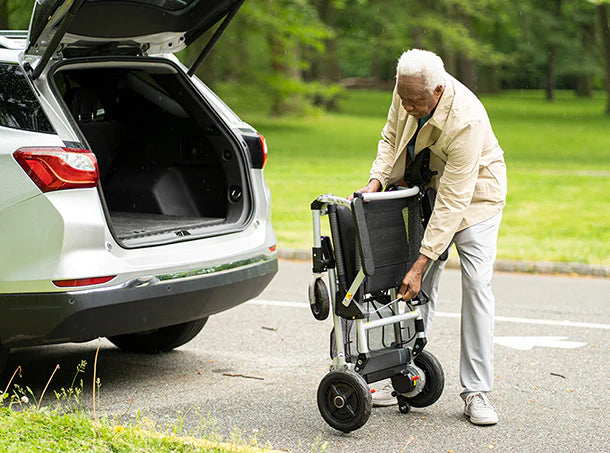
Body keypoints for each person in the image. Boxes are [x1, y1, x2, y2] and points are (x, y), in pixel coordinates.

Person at [352, 49, 507, 425]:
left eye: (415, 101)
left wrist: (422, 261)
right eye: (402, 96)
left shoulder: (466, 119)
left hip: (476, 198)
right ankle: (401, 373)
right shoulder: (408, 87)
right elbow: (391, 136)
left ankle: (476, 392)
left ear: (438, 90)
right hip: (429, 187)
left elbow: (454, 203)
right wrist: (375, 182)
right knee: (414, 286)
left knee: (476, 284)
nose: (407, 105)